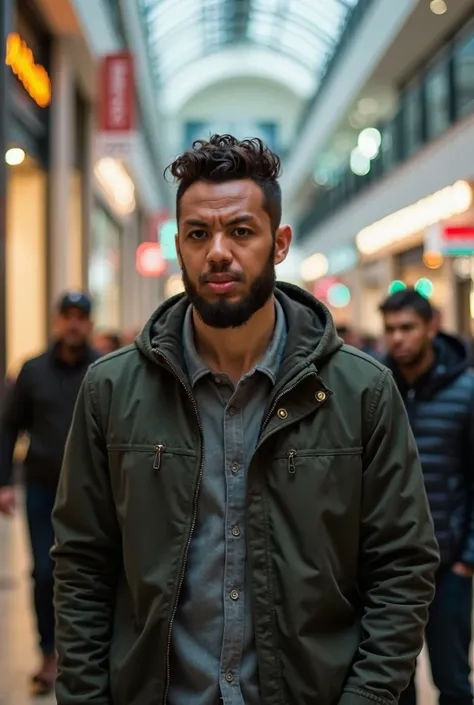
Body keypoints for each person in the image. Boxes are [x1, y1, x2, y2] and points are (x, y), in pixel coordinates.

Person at [52, 135, 439, 705]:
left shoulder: (362, 391)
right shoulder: (112, 390)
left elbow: (402, 567)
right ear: (178, 245)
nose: (217, 253)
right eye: (198, 234)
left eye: (240, 231)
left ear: (279, 242)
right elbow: (83, 566)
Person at [0, 292, 100, 695]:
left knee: (89, 572)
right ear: (57, 321)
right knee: (44, 572)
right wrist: (5, 481)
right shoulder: (31, 371)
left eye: (80, 317)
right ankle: (48, 655)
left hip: (91, 491)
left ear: (90, 323)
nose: (73, 324)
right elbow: (9, 427)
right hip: (41, 488)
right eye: (67, 317)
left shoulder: (102, 370)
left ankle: (86, 656)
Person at [380, 288, 474, 705]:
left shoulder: (467, 390)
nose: (397, 338)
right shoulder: (375, 387)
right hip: (388, 565)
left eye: (407, 328)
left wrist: (467, 559)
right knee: (392, 680)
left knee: (452, 680)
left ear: (431, 327)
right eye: (390, 330)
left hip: (448, 562)